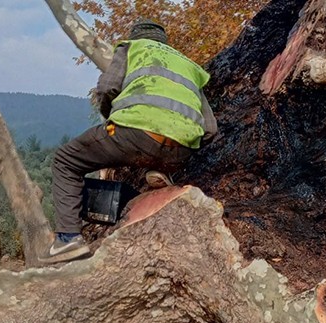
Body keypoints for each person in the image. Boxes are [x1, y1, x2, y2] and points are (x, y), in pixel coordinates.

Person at [39, 18, 217, 264]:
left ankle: (68, 239)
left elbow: (107, 88)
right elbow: (210, 129)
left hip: (133, 134)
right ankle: (161, 169)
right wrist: (179, 144)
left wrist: (114, 120)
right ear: (165, 42)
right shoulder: (189, 66)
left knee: (66, 160)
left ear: (135, 36)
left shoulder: (130, 48)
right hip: (181, 151)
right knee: (154, 149)